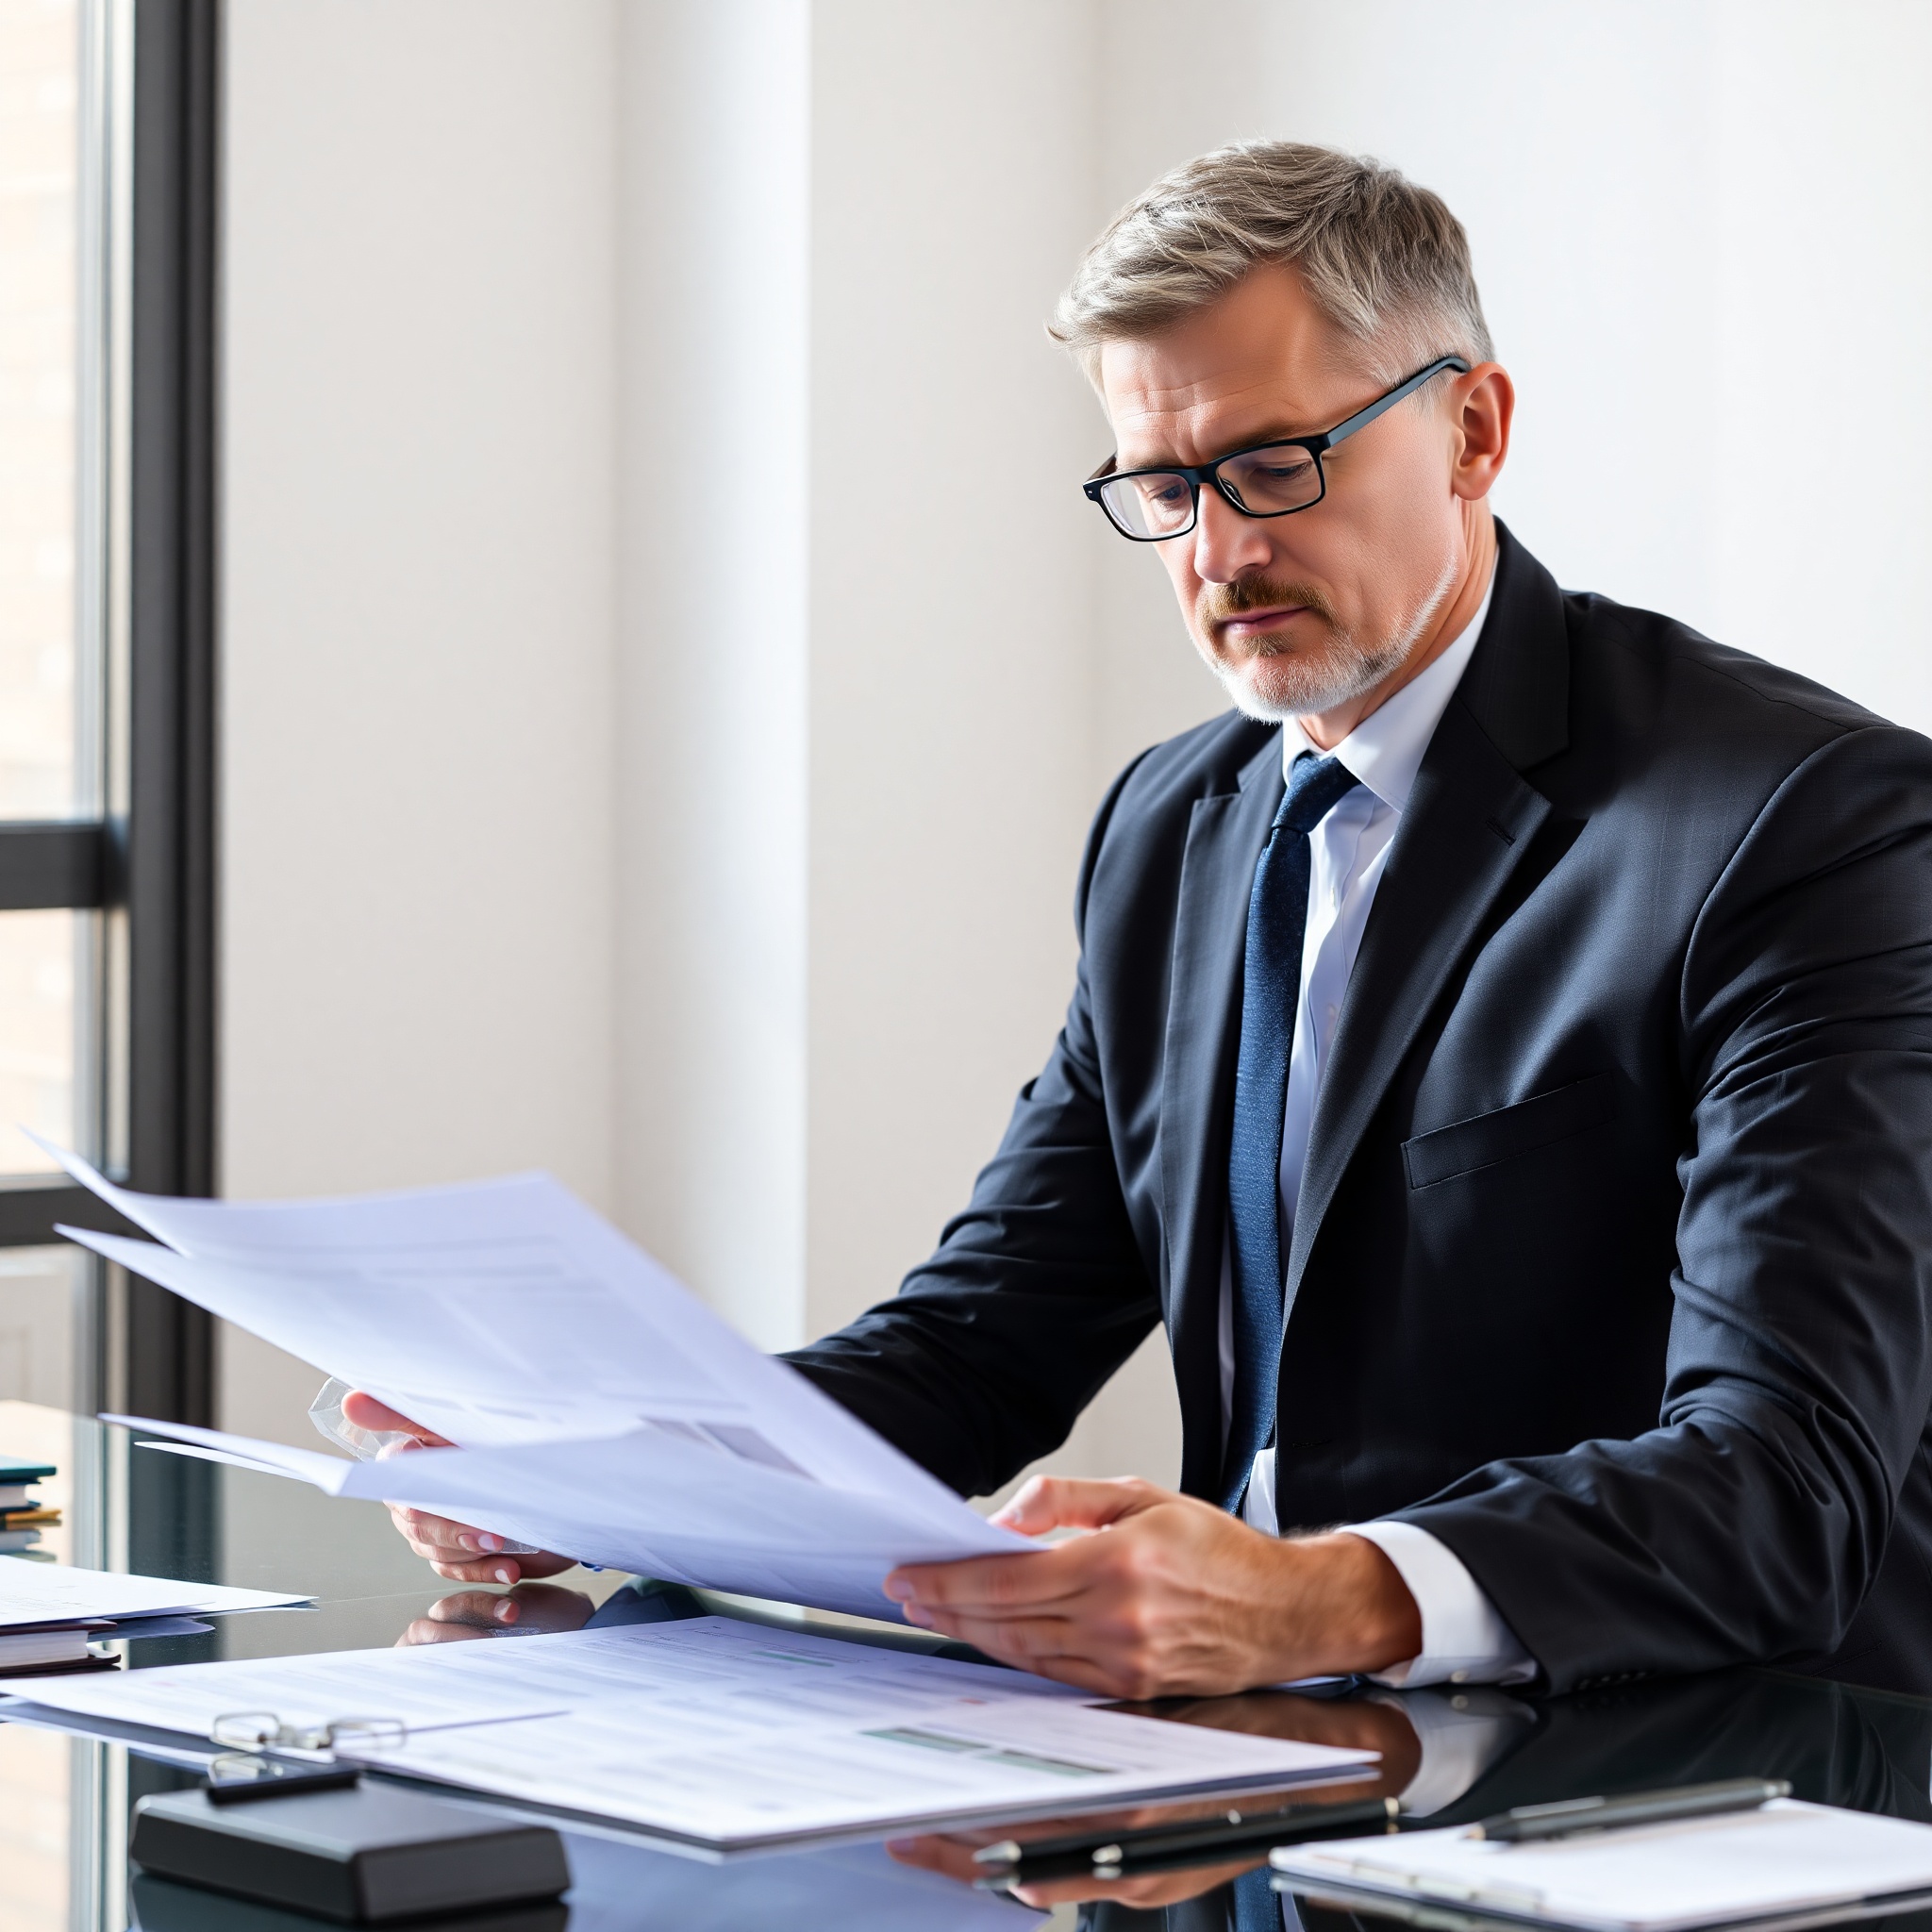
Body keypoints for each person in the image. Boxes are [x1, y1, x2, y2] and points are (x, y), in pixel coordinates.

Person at [348, 141, 1932, 1704]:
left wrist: (1317, 1600)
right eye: (1162, 487)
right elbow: (984, 1341)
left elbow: (1785, 1481)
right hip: (1263, 1777)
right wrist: (612, 1469)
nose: (1219, 553)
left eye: (1273, 466)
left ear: (1472, 429)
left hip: (1702, 1780)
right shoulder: (1175, 825)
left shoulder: (1808, 822)